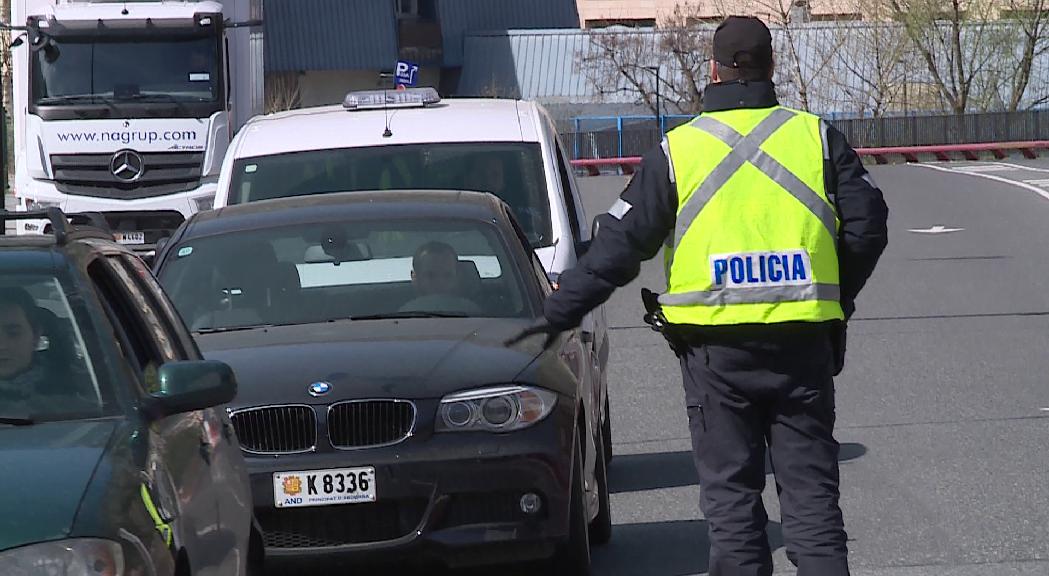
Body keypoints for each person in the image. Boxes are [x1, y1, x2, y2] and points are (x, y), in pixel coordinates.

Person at [508, 16, 888, 576]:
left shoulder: (679, 149)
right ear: (771, 66)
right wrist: (836, 299)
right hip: (803, 345)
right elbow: (868, 226)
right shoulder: (816, 136)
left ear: (713, 70)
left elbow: (620, 243)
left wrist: (557, 311)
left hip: (716, 358)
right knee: (812, 507)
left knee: (733, 507)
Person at [400, 241, 482, 315]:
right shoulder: (402, 316)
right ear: (415, 277)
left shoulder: (474, 314)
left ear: (457, 277)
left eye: (447, 275)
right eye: (430, 276)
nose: (440, 283)